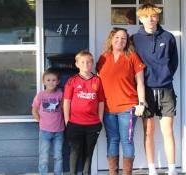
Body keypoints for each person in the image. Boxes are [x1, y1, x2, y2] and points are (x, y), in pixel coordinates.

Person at [131, 3, 178, 175]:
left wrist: (164, 76)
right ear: (141, 18)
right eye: (146, 16)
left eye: (153, 16)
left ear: (157, 17)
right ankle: (152, 169)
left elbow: (174, 63)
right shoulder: (134, 39)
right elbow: (131, 65)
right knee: (148, 131)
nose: (150, 19)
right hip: (146, 91)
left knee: (168, 131)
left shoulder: (168, 37)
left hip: (166, 89)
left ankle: (172, 169)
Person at [96, 27, 146, 175]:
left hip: (128, 107)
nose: (120, 40)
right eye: (117, 37)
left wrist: (141, 103)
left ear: (127, 41)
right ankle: (113, 173)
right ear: (111, 39)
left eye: (124, 38)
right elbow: (98, 83)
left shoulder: (133, 57)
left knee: (127, 141)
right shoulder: (104, 57)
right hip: (107, 108)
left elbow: (141, 82)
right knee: (112, 140)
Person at [63, 50, 105, 175]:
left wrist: (100, 120)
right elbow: (66, 101)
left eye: (88, 62)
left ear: (92, 63)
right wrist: (67, 120)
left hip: (93, 125)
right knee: (75, 151)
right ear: (77, 64)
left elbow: (101, 102)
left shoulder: (97, 80)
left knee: (88, 153)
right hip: (75, 124)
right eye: (83, 62)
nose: (86, 64)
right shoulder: (72, 81)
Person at [32, 68, 64, 175]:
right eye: (48, 80)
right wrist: (40, 120)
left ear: (58, 81)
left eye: (54, 80)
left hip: (59, 131)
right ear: (43, 81)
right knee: (44, 157)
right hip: (45, 131)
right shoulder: (41, 95)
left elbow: (65, 109)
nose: (51, 82)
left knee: (58, 156)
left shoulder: (60, 94)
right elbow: (34, 109)